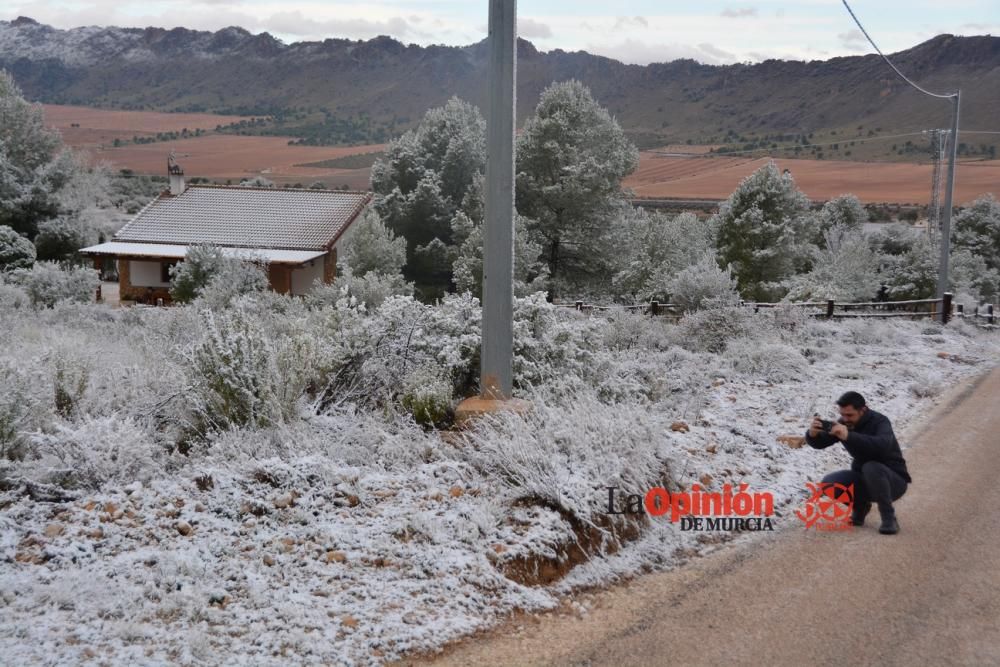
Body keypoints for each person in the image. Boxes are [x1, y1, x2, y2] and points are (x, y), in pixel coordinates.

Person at [805, 391, 912, 534]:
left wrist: (849, 436)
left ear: (863, 410)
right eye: (842, 414)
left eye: (849, 415)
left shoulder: (880, 421)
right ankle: (860, 507)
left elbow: (882, 445)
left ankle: (889, 518)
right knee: (828, 483)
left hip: (894, 482)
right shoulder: (846, 423)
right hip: (865, 479)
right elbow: (820, 443)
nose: (845, 419)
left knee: (871, 467)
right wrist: (812, 435)